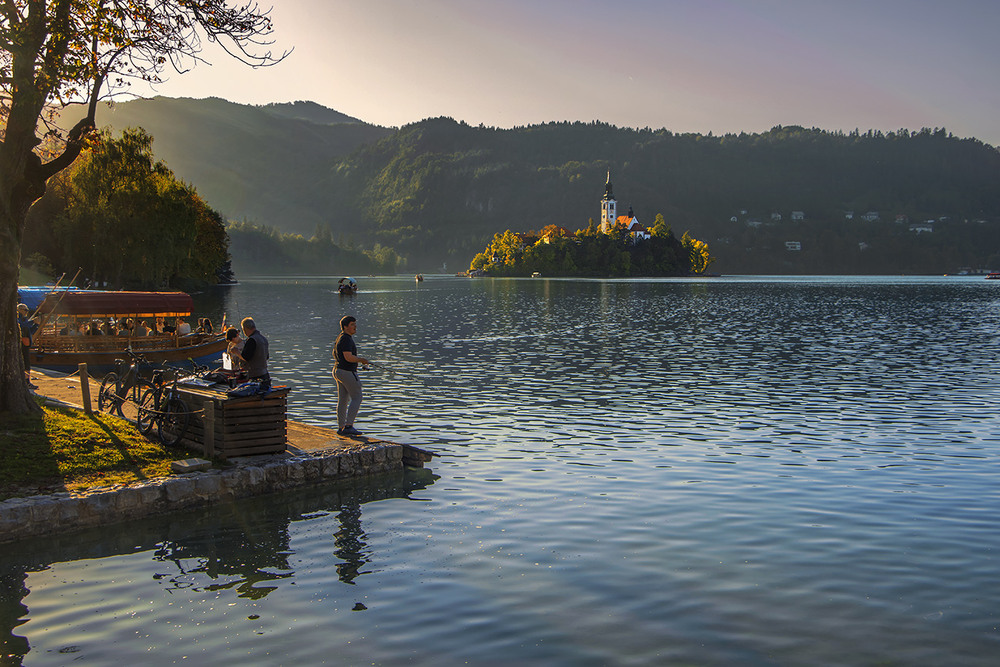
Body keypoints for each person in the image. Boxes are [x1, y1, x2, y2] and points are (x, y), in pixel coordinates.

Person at [333, 315, 369, 437]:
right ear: (345, 327)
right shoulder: (346, 339)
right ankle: (349, 426)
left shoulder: (340, 338)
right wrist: (361, 360)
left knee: (343, 399)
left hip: (338, 370)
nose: (355, 326)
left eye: (355, 324)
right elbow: (348, 357)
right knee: (357, 397)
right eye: (352, 324)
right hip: (347, 372)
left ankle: (341, 427)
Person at [240, 317, 270, 390]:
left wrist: (237, 352)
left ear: (246, 328)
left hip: (255, 376)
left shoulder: (252, 340)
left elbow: (246, 357)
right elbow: (267, 356)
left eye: (243, 330)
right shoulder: (263, 339)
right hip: (265, 375)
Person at [17, 303, 38, 388]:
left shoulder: (25, 319)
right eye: (25, 310)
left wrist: (36, 325)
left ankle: (27, 381)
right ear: (20, 310)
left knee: (26, 363)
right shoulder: (18, 319)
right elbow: (22, 326)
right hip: (20, 344)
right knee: (23, 363)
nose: (26, 312)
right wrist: (32, 321)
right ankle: (25, 382)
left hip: (26, 343)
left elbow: (29, 331)